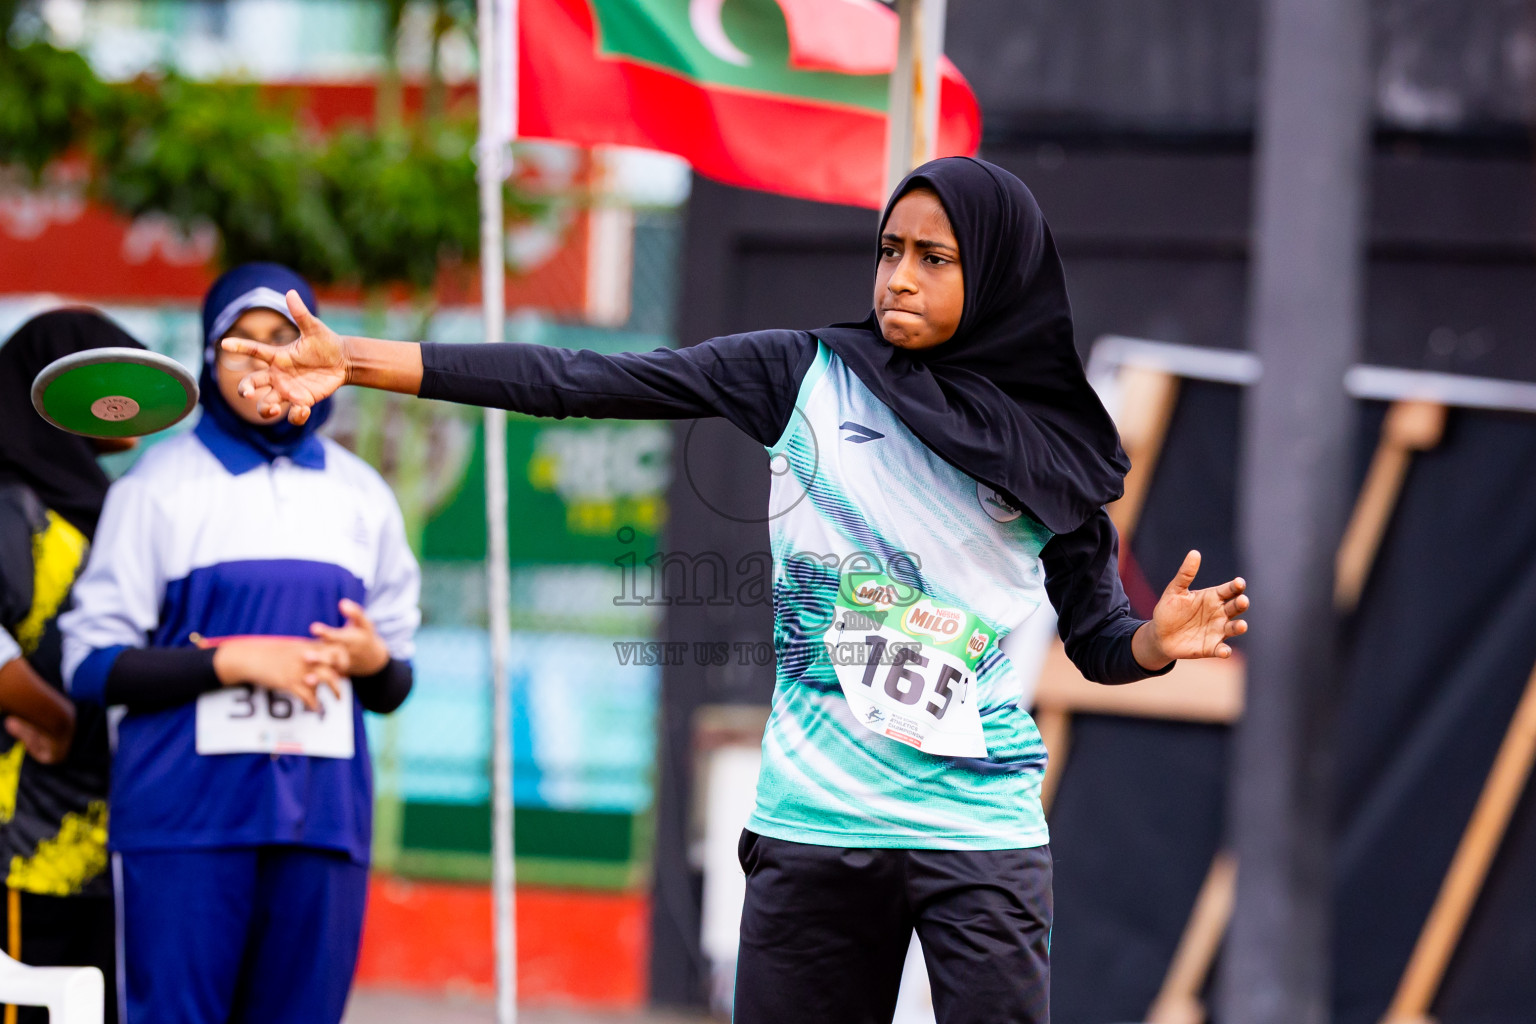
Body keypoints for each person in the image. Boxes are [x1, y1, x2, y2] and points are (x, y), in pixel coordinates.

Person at [226, 158, 1249, 1024]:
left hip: (978, 833)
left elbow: (1098, 640)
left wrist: (1152, 642)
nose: (899, 277)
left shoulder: (1058, 448)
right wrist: (354, 360)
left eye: (933, 259)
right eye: (889, 250)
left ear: (997, 274)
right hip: (817, 823)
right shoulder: (805, 376)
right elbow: (579, 380)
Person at [60, 264, 420, 1024]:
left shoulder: (363, 495)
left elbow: (394, 684)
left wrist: (372, 661)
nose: (261, 358)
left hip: (322, 823)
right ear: (206, 358)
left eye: (279, 338)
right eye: (239, 342)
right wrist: (231, 661)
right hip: (182, 825)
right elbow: (89, 666)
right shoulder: (155, 487)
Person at [0, 310, 153, 1024]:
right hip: (23, 849)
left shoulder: (98, 501)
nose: (129, 399)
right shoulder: (11, 503)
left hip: (103, 841)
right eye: (101, 377)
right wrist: (50, 713)